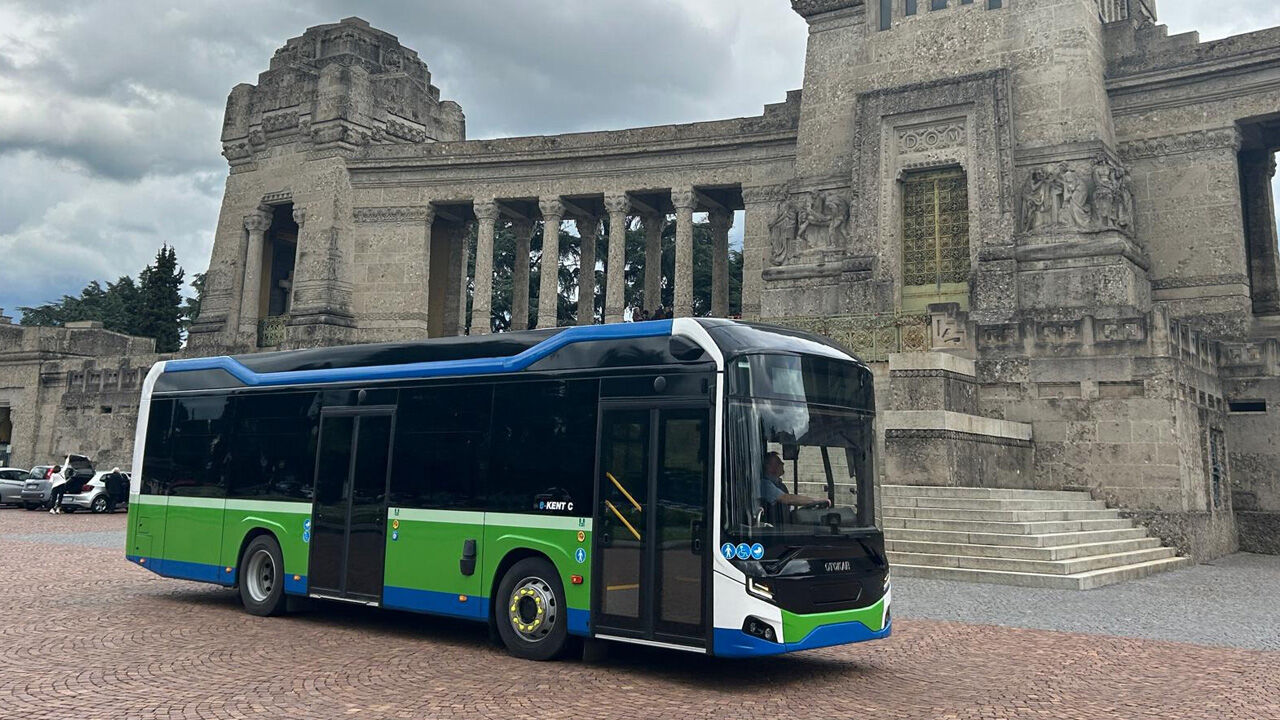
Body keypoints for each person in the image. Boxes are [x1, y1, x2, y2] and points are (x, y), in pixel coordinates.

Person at [759, 451, 830, 517]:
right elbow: (787, 499)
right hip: (776, 525)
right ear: (769, 467)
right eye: (778, 462)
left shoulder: (780, 485)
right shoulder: (765, 485)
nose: (783, 464)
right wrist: (815, 501)